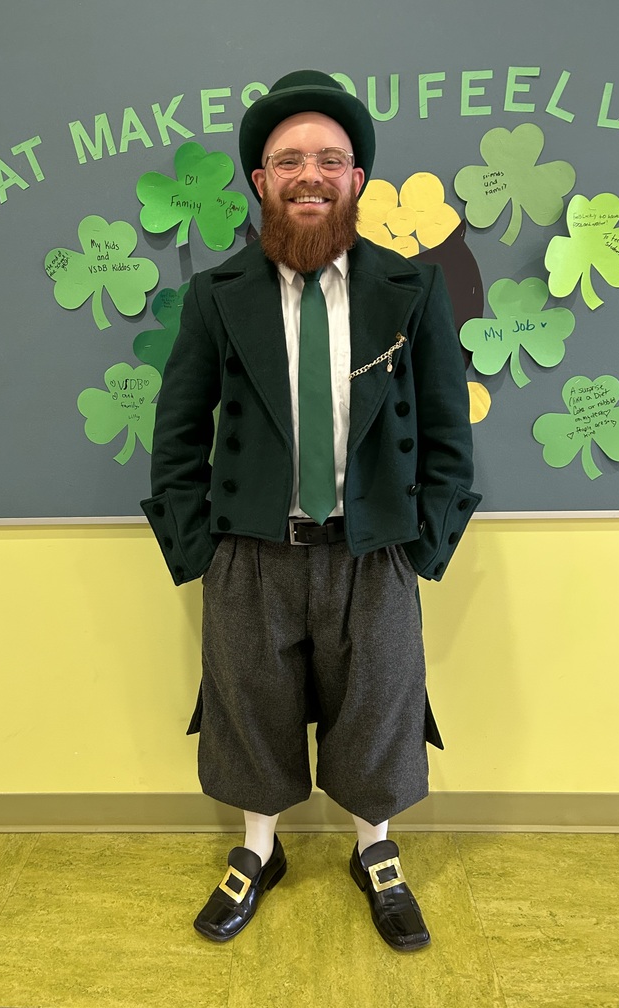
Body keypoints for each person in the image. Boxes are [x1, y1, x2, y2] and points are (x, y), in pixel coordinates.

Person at [141, 70, 481, 950]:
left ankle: (376, 849)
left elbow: (448, 432)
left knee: (380, 707)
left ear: (356, 181)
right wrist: (198, 551)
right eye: (288, 158)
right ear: (259, 180)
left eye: (331, 158)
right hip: (250, 549)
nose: (309, 173)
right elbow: (178, 434)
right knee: (249, 706)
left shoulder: (412, 290)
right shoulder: (216, 298)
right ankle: (258, 851)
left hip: (376, 550)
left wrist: (424, 548)